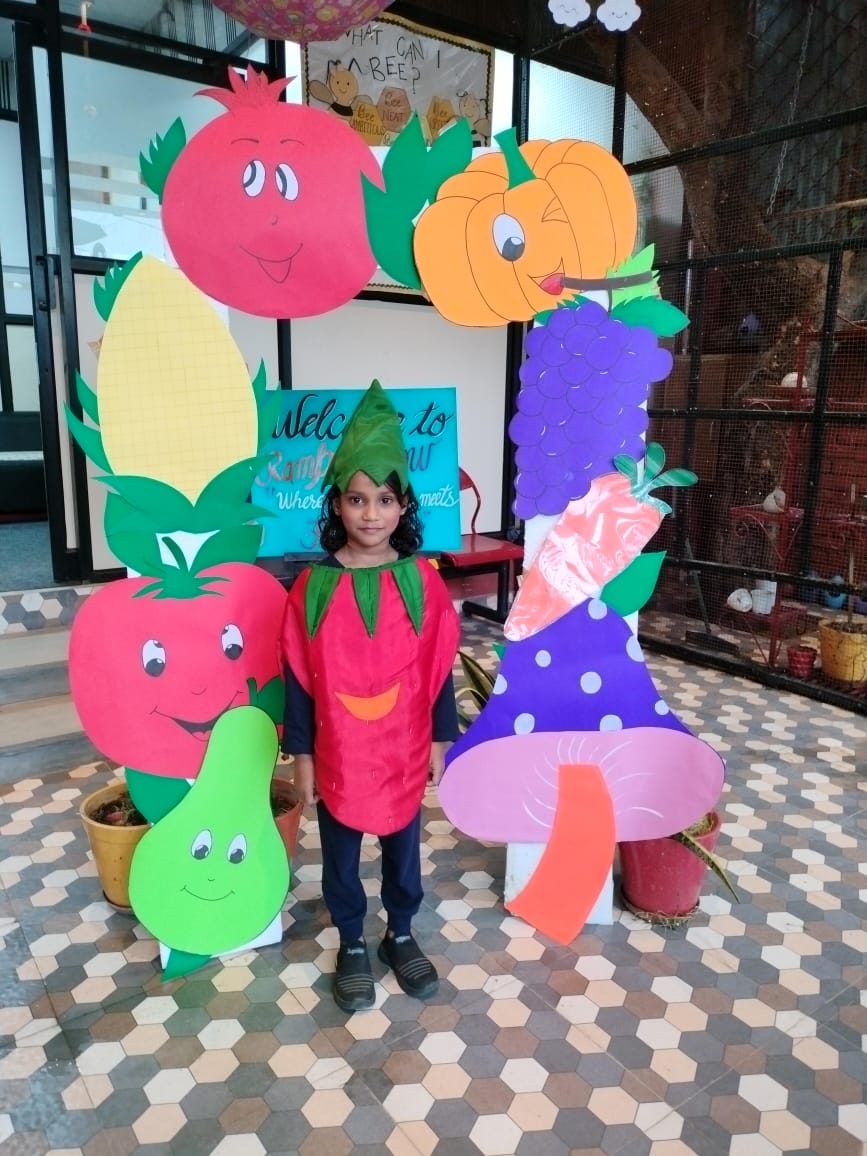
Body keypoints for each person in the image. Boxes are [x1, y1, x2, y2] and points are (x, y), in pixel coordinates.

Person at [281, 381, 460, 1013]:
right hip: (338, 753)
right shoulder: (311, 587)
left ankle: (400, 932)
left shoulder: (422, 582)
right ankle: (353, 940)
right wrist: (303, 759)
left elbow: (437, 668)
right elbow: (299, 680)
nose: (370, 514)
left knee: (403, 852)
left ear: (403, 504)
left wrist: (440, 740)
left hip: (403, 750)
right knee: (340, 855)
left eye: (384, 499)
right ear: (337, 501)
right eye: (357, 499)